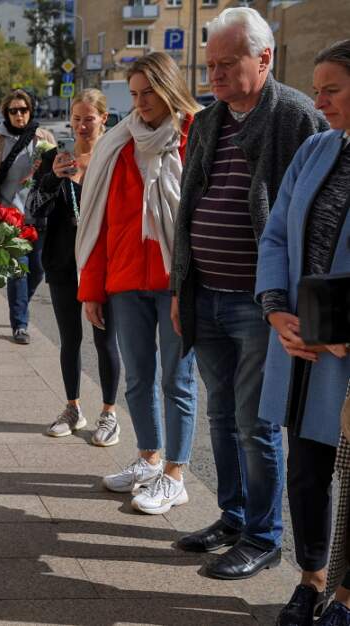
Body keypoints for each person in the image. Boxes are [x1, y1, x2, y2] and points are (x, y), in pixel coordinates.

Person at [169, 7, 329, 581]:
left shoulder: (295, 116)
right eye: (208, 64)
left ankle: (264, 536)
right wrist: (180, 286)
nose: (212, 74)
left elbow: (315, 218)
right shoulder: (211, 118)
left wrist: (295, 303)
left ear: (263, 58)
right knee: (220, 414)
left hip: (263, 305)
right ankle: (233, 517)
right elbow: (189, 207)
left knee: (256, 422)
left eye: (225, 62)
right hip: (206, 291)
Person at [75, 52, 199, 515]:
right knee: (139, 378)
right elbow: (97, 222)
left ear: (168, 88)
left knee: (177, 379)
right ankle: (149, 459)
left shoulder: (193, 137)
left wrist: (190, 285)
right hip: (125, 280)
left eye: (149, 92)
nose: (142, 102)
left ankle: (175, 474)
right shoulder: (117, 144)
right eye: (134, 93)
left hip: (175, 281)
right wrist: (91, 288)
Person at [252, 40, 350, 625]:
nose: (319, 100)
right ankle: (312, 581)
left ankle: (345, 598)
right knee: (307, 472)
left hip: (342, 347)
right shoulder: (317, 149)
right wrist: (275, 310)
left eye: (331, 88)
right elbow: (277, 237)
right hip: (300, 345)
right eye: (315, 88)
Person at [30, 89, 122, 446]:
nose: (82, 125)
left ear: (103, 117)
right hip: (63, 261)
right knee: (69, 339)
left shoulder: (114, 157)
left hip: (106, 262)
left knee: (105, 339)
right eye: (77, 118)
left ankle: (109, 413)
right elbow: (33, 209)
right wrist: (52, 179)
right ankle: (73, 408)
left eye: (89, 118)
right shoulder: (55, 157)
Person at [0, 89, 56, 345]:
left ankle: (21, 306)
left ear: (30, 111)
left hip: (39, 217)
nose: (19, 115)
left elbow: (57, 175)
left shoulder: (44, 138)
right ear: (6, 113)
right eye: (13, 111)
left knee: (38, 270)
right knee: (18, 272)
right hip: (10, 219)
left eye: (23, 110)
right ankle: (20, 324)